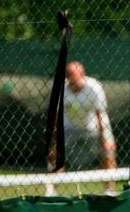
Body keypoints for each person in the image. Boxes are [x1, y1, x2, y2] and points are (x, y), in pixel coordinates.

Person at [46, 61, 118, 196]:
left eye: (72, 74)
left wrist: (105, 140)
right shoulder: (61, 89)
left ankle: (110, 190)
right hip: (69, 127)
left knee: (107, 153)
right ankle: (51, 191)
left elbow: (100, 115)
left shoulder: (94, 88)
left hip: (94, 127)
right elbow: (56, 117)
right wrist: (56, 139)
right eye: (67, 75)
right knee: (55, 155)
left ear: (82, 74)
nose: (69, 78)